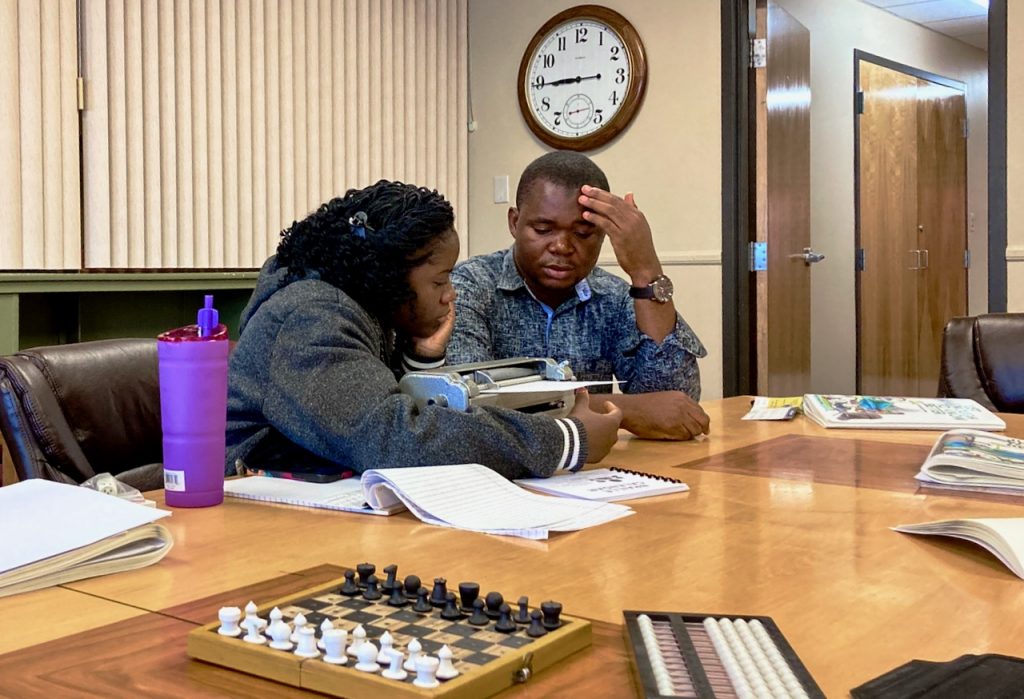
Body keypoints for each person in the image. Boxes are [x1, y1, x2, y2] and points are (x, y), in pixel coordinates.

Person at [226, 180, 621, 480]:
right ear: (389, 277)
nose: (450, 295)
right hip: (249, 509)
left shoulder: (353, 307)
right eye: (440, 281)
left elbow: (371, 410)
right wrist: (565, 440)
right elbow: (395, 437)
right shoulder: (312, 315)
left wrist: (421, 356)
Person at [447, 152, 709, 440]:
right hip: (495, 475)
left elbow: (676, 406)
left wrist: (646, 272)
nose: (561, 246)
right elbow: (467, 405)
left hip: (592, 473)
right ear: (514, 222)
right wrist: (626, 409)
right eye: (543, 229)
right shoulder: (469, 285)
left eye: (583, 234)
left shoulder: (615, 296)